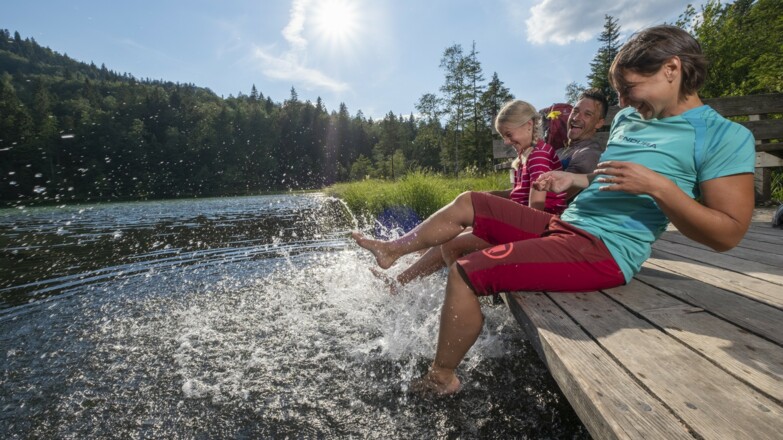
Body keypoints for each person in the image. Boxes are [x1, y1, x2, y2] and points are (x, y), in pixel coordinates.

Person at [352, 25, 756, 395]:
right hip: (566, 227)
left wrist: (660, 188)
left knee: (466, 271)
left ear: (672, 69)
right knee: (469, 202)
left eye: (629, 88)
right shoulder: (629, 120)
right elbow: (611, 181)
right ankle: (393, 251)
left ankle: (442, 378)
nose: (620, 102)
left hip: (605, 250)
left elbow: (728, 233)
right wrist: (576, 181)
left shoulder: (722, 136)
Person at [389, 99, 567, 287]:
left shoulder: (539, 156)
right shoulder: (529, 154)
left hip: (541, 236)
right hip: (530, 227)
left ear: (528, 125)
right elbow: (520, 194)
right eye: (503, 136)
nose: (506, 141)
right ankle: (401, 279)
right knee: (451, 231)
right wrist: (487, 197)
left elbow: (535, 214)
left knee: (451, 244)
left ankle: (463, 295)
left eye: (508, 134)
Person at [558, 88, 609, 174]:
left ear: (599, 123)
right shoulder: (559, 151)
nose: (576, 118)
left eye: (587, 114)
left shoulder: (589, 155)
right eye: (575, 111)